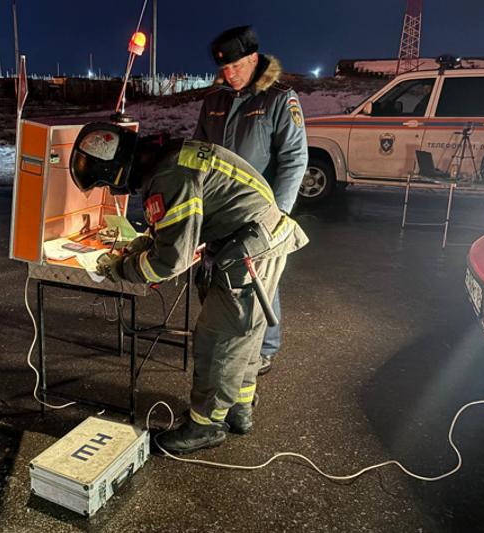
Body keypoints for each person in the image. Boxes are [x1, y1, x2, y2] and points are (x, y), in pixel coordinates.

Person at [69, 122, 309, 454]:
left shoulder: (168, 177)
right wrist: (147, 242)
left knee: (219, 339)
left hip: (249, 249)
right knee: (244, 334)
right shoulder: (170, 156)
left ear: (119, 170)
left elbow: (168, 263)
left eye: (109, 184)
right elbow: (186, 222)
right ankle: (239, 409)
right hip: (256, 238)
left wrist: (122, 268)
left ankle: (205, 426)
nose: (114, 191)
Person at [194, 25, 308, 375]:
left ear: (254, 59)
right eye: (224, 69)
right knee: (217, 272)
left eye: (237, 67)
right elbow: (197, 152)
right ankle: (226, 336)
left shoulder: (277, 98)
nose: (230, 74)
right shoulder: (214, 100)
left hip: (260, 211)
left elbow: (294, 159)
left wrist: (279, 215)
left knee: (259, 279)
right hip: (218, 209)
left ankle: (266, 348)